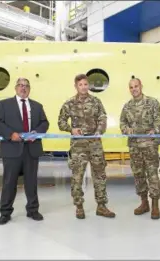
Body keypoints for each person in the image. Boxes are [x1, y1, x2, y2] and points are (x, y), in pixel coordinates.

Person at [0, 77, 49, 225]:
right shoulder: (4, 104)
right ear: (15, 88)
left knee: (31, 182)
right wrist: (10, 134)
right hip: (12, 149)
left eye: (26, 86)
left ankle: (33, 210)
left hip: (31, 149)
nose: (23, 88)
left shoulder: (37, 106)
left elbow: (44, 122)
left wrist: (36, 132)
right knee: (9, 182)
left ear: (29, 89)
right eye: (20, 85)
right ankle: (5, 212)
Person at [57, 73, 115, 219]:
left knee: (100, 175)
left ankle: (101, 206)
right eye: (80, 85)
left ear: (88, 85)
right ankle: (79, 206)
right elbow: (61, 121)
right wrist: (71, 129)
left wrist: (99, 131)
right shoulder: (69, 103)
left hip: (95, 144)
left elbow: (102, 118)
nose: (83, 87)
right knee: (77, 176)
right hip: (78, 146)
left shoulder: (96, 102)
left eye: (85, 84)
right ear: (76, 86)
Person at [119, 78, 160, 219]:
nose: (134, 89)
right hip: (134, 146)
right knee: (138, 175)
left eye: (136, 86)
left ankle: (155, 204)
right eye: (131, 87)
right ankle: (144, 203)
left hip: (150, 145)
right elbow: (122, 123)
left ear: (141, 86)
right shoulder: (127, 106)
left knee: (152, 174)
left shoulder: (152, 102)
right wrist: (126, 129)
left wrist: (155, 129)